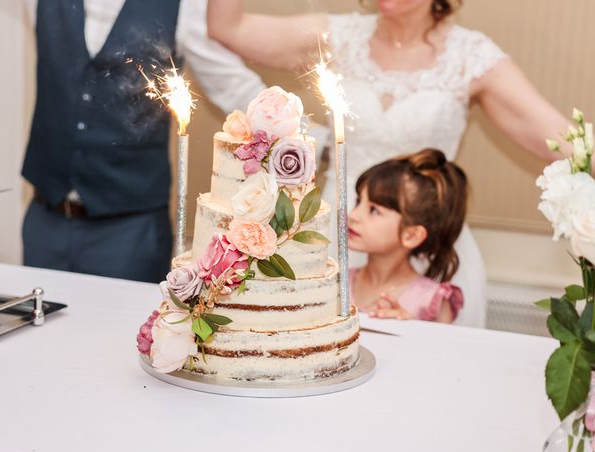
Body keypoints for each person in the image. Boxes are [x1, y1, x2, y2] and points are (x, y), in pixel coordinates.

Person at [206, 0, 569, 327]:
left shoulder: (472, 57)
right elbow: (227, 28)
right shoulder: (336, 35)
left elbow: (562, 141)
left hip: (426, 243)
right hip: (337, 231)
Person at [20, 0, 271, 283]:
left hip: (130, 233)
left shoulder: (185, 6)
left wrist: (306, 138)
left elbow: (234, 87)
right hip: (44, 222)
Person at [348, 149, 466, 322]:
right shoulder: (335, 283)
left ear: (411, 236)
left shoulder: (431, 300)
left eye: (374, 210)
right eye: (359, 201)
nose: (353, 216)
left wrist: (410, 329)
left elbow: (438, 349)